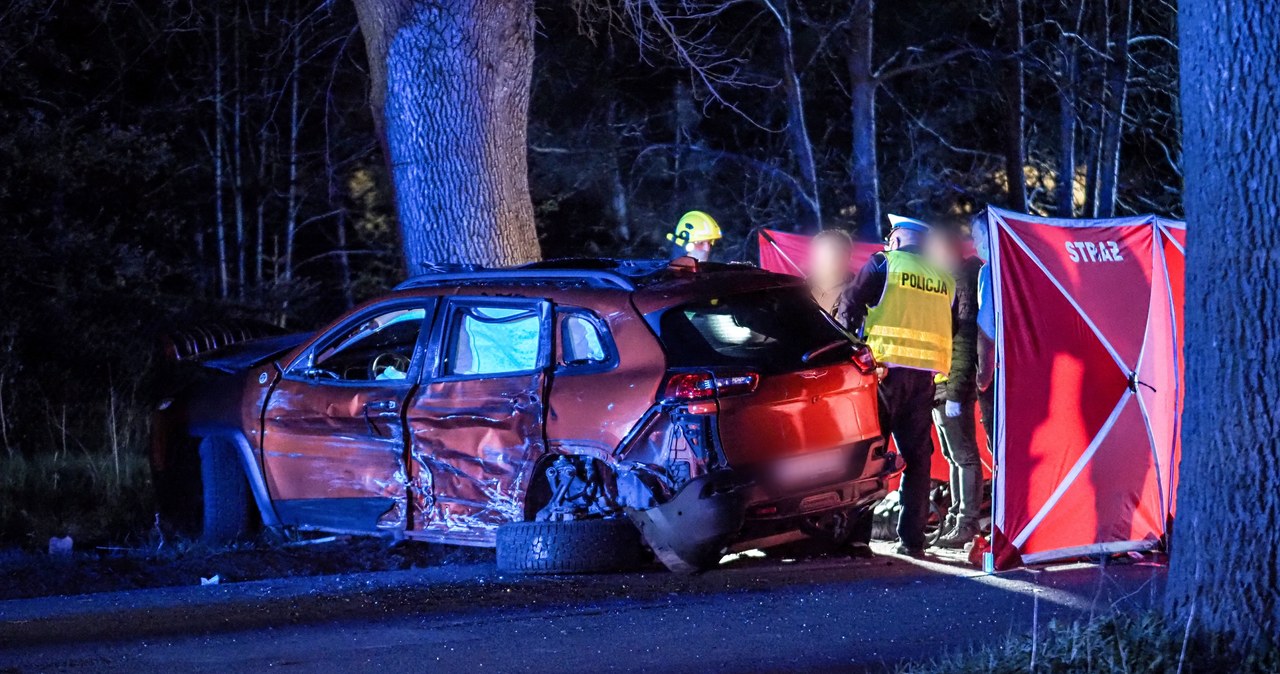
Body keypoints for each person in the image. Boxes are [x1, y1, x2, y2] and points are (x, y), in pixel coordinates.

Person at [839, 214, 955, 557]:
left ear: (899, 239)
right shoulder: (944, 279)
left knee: (868, 456)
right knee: (918, 460)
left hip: (880, 375)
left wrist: (850, 350)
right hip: (923, 381)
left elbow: (849, 305)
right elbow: (953, 329)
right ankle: (912, 540)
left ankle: (857, 537)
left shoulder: (882, 264)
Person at [926, 225, 984, 548]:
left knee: (963, 455)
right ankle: (956, 518)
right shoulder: (946, 282)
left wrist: (956, 389)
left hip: (951, 384)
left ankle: (966, 522)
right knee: (953, 456)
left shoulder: (961, 279)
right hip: (941, 383)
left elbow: (964, 338)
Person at [807, 228, 855, 324]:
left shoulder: (860, 295)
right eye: (818, 254)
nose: (820, 261)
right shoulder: (799, 290)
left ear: (846, 257)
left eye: (827, 254)